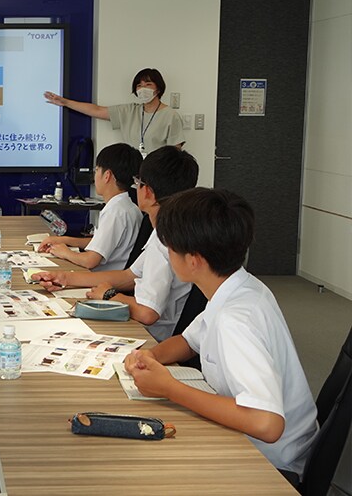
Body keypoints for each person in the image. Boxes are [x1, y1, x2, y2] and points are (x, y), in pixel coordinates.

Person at [124, 188, 318, 482]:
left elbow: (266, 424)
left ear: (194, 261)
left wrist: (169, 388)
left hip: (271, 462)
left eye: (170, 248)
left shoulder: (234, 319)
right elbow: (189, 342)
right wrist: (148, 356)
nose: (168, 254)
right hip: (261, 442)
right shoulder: (237, 287)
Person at [33, 146, 198, 342]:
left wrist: (110, 295)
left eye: (138, 183)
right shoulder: (166, 230)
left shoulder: (166, 240)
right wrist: (64, 278)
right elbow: (130, 276)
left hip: (148, 336)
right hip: (141, 322)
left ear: (148, 192)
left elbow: (147, 313)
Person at [38, 143, 143, 271]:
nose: (94, 175)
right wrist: (63, 240)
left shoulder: (115, 212)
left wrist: (66, 253)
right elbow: (98, 244)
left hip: (102, 280)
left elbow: (90, 261)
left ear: (107, 176)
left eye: (97, 170)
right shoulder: (128, 206)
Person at [44, 68, 185, 155]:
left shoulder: (170, 116)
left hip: (158, 178)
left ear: (158, 88)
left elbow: (176, 155)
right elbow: (97, 110)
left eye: (148, 84)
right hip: (133, 178)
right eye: (139, 85)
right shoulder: (130, 111)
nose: (143, 89)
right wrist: (65, 102)